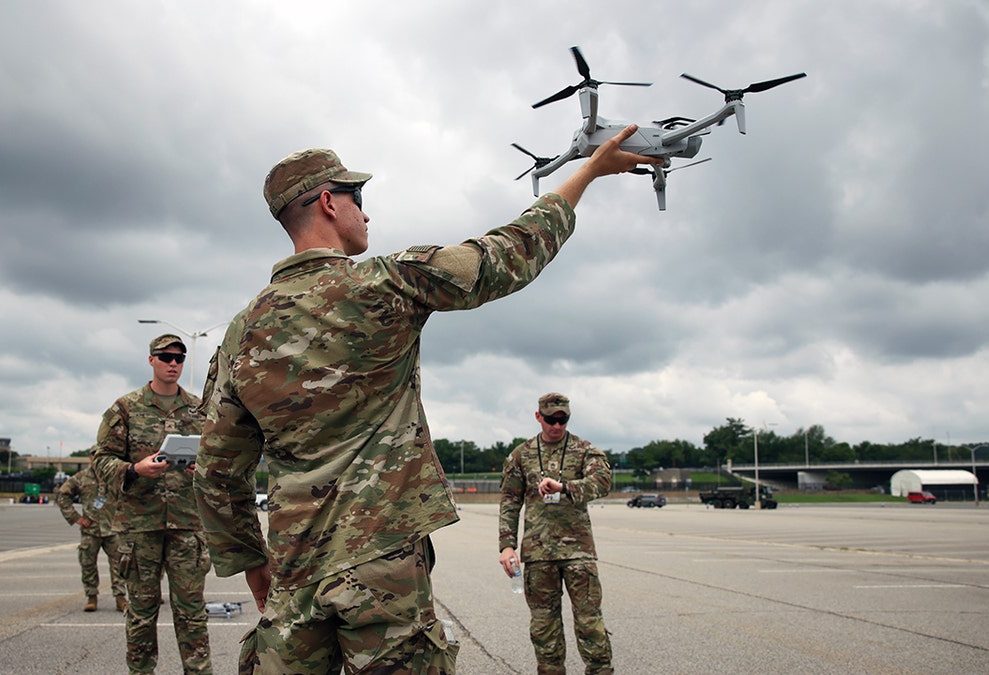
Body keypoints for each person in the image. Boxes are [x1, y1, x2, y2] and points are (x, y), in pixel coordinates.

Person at [194, 125, 659, 674]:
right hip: (381, 564)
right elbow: (506, 254)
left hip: (292, 575)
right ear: (327, 203)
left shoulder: (241, 331)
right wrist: (587, 173)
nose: (366, 215)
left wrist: (255, 567)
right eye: (357, 200)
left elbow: (217, 470)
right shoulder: (383, 284)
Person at [92, 334, 211, 675]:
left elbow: (218, 459)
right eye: (166, 357)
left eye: (179, 358)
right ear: (151, 360)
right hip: (139, 527)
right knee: (141, 614)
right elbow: (101, 460)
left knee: (192, 613)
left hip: (187, 527)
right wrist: (134, 469)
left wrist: (199, 466)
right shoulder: (125, 408)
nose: (173, 363)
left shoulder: (199, 410)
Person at [499, 393, 614, 675]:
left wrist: (565, 487)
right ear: (539, 417)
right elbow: (510, 501)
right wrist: (507, 546)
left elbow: (602, 482)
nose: (557, 426)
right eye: (552, 420)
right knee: (544, 626)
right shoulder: (521, 455)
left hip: (578, 552)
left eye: (563, 420)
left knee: (590, 623)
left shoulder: (584, 450)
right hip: (538, 554)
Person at [55, 449, 127, 613]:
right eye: (95, 455)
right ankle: (91, 596)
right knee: (88, 564)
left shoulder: (114, 476)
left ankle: (120, 597)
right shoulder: (81, 478)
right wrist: (75, 518)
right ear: (90, 457)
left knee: (119, 565)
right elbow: (63, 495)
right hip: (90, 529)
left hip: (112, 529)